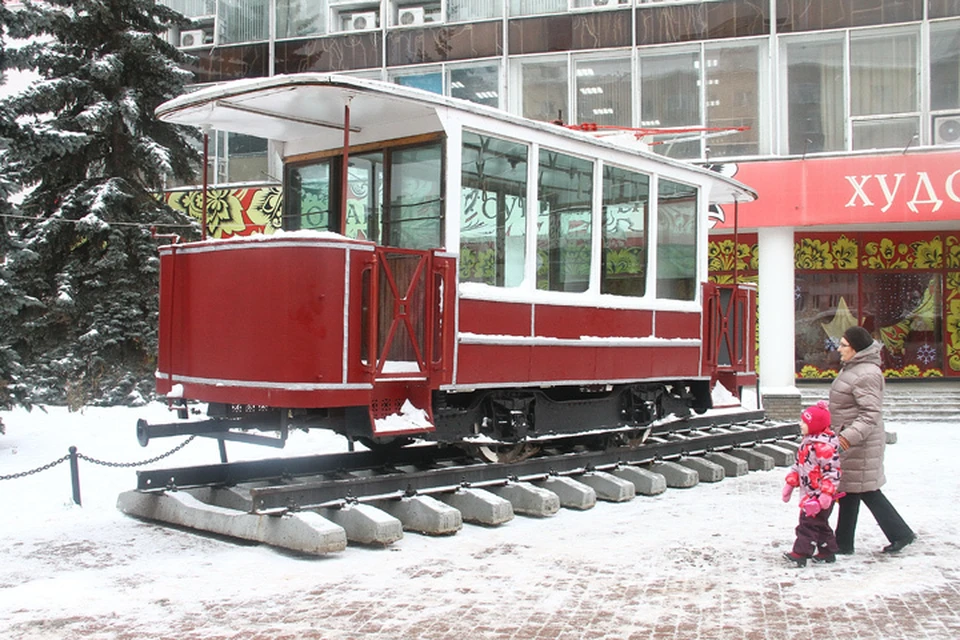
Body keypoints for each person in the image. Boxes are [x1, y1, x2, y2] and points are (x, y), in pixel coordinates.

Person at [831, 325, 915, 555]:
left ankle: (901, 534)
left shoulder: (866, 373)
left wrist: (846, 437)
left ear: (857, 348)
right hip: (852, 440)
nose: (839, 349)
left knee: (866, 490)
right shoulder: (854, 368)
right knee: (849, 490)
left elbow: (870, 414)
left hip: (860, 442)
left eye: (844, 345)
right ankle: (843, 542)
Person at [782, 401, 841, 567]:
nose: (801, 425)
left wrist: (826, 494)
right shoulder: (807, 444)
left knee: (807, 525)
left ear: (815, 425)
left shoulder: (824, 447)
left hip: (819, 496)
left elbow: (832, 472)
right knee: (820, 525)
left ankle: (800, 553)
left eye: (804, 422)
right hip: (809, 493)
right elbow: (799, 465)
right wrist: (790, 483)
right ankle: (827, 551)